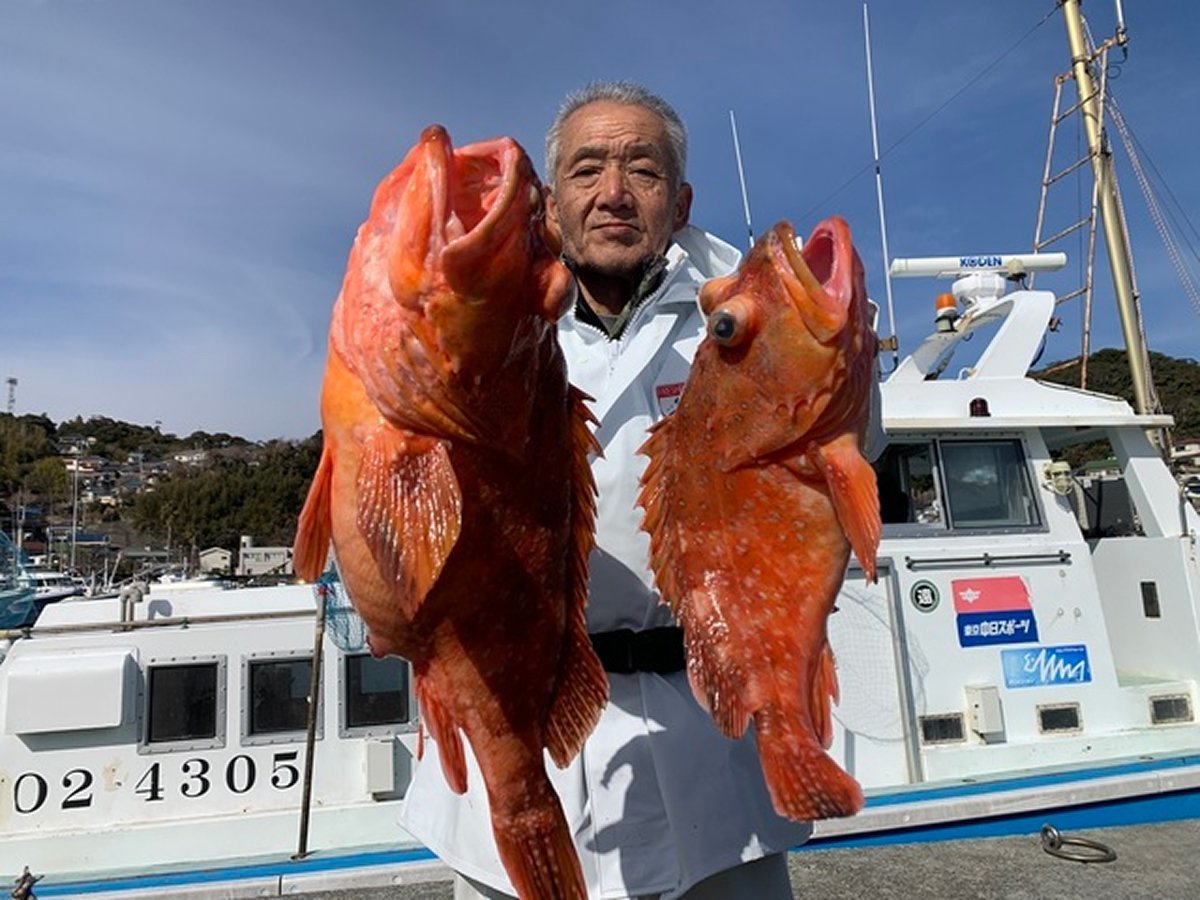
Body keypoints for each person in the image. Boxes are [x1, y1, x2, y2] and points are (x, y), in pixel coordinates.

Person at [401, 81, 813, 899]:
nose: (614, 194)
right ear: (551, 205)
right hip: (506, 719)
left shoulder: (750, 317)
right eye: (587, 171)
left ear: (682, 201)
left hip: (710, 747)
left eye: (644, 171)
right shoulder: (478, 317)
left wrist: (804, 334)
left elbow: (847, 442)